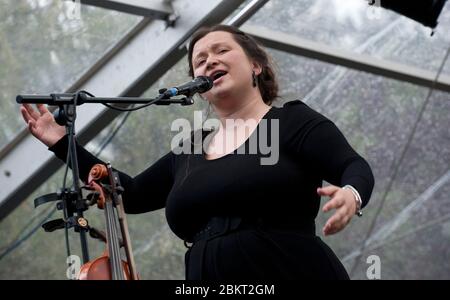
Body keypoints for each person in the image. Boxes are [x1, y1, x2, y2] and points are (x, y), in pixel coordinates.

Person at [20, 25, 374, 280]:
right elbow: (128, 193)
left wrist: (351, 194)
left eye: (221, 51)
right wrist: (61, 142)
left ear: (256, 65)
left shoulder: (290, 120)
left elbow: (352, 166)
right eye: (199, 60)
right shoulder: (190, 148)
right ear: (198, 88)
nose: (208, 61)